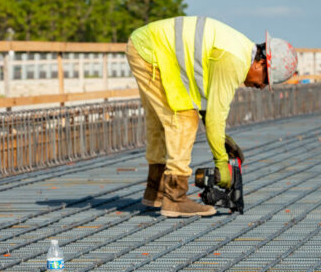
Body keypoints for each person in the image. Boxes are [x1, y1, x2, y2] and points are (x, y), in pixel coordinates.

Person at [125, 16, 296, 217]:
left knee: (161, 121)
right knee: (183, 117)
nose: (261, 87)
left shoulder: (238, 50)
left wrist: (222, 142)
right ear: (260, 63)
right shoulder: (233, 60)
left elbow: (208, 106)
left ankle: (156, 190)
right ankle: (175, 198)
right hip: (152, 51)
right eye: (265, 81)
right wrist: (221, 163)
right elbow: (215, 116)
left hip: (146, 45)